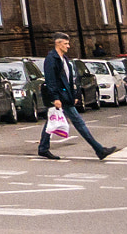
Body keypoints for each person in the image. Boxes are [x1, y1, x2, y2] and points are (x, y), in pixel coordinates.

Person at [40, 32, 115, 160]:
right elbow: (51, 80)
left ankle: (43, 148)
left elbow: (69, 79)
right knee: (79, 123)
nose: (68, 46)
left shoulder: (64, 59)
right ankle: (99, 150)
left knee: (51, 121)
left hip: (65, 96)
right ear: (58, 43)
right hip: (61, 97)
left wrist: (74, 94)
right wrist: (55, 98)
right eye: (65, 43)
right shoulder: (51, 59)